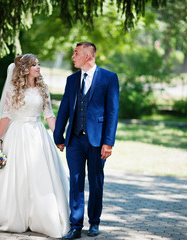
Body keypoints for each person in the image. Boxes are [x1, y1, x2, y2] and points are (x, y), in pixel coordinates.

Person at [0, 54, 70, 238]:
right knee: (16, 175)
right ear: (24, 69)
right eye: (34, 65)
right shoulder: (13, 90)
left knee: (40, 175)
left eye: (38, 64)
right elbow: (6, 116)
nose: (38, 67)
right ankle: (13, 216)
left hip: (38, 134)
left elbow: (49, 115)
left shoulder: (43, 89)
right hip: (17, 134)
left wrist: (58, 136)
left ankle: (42, 217)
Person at [53, 42, 119, 239]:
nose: (73, 56)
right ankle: (75, 226)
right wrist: (58, 136)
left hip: (98, 141)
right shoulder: (72, 80)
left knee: (96, 182)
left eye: (76, 53)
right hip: (74, 140)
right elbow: (64, 108)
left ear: (88, 56)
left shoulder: (109, 78)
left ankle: (95, 222)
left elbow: (112, 112)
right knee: (75, 181)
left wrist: (108, 142)